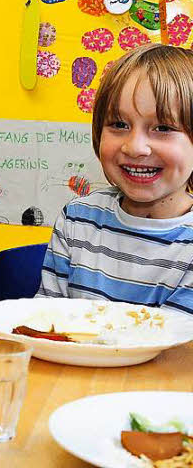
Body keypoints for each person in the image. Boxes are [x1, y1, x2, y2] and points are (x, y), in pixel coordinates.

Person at [39, 44, 193, 314]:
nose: (134, 147)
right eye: (119, 124)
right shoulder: (77, 219)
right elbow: (45, 323)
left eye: (163, 128)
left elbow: (176, 349)